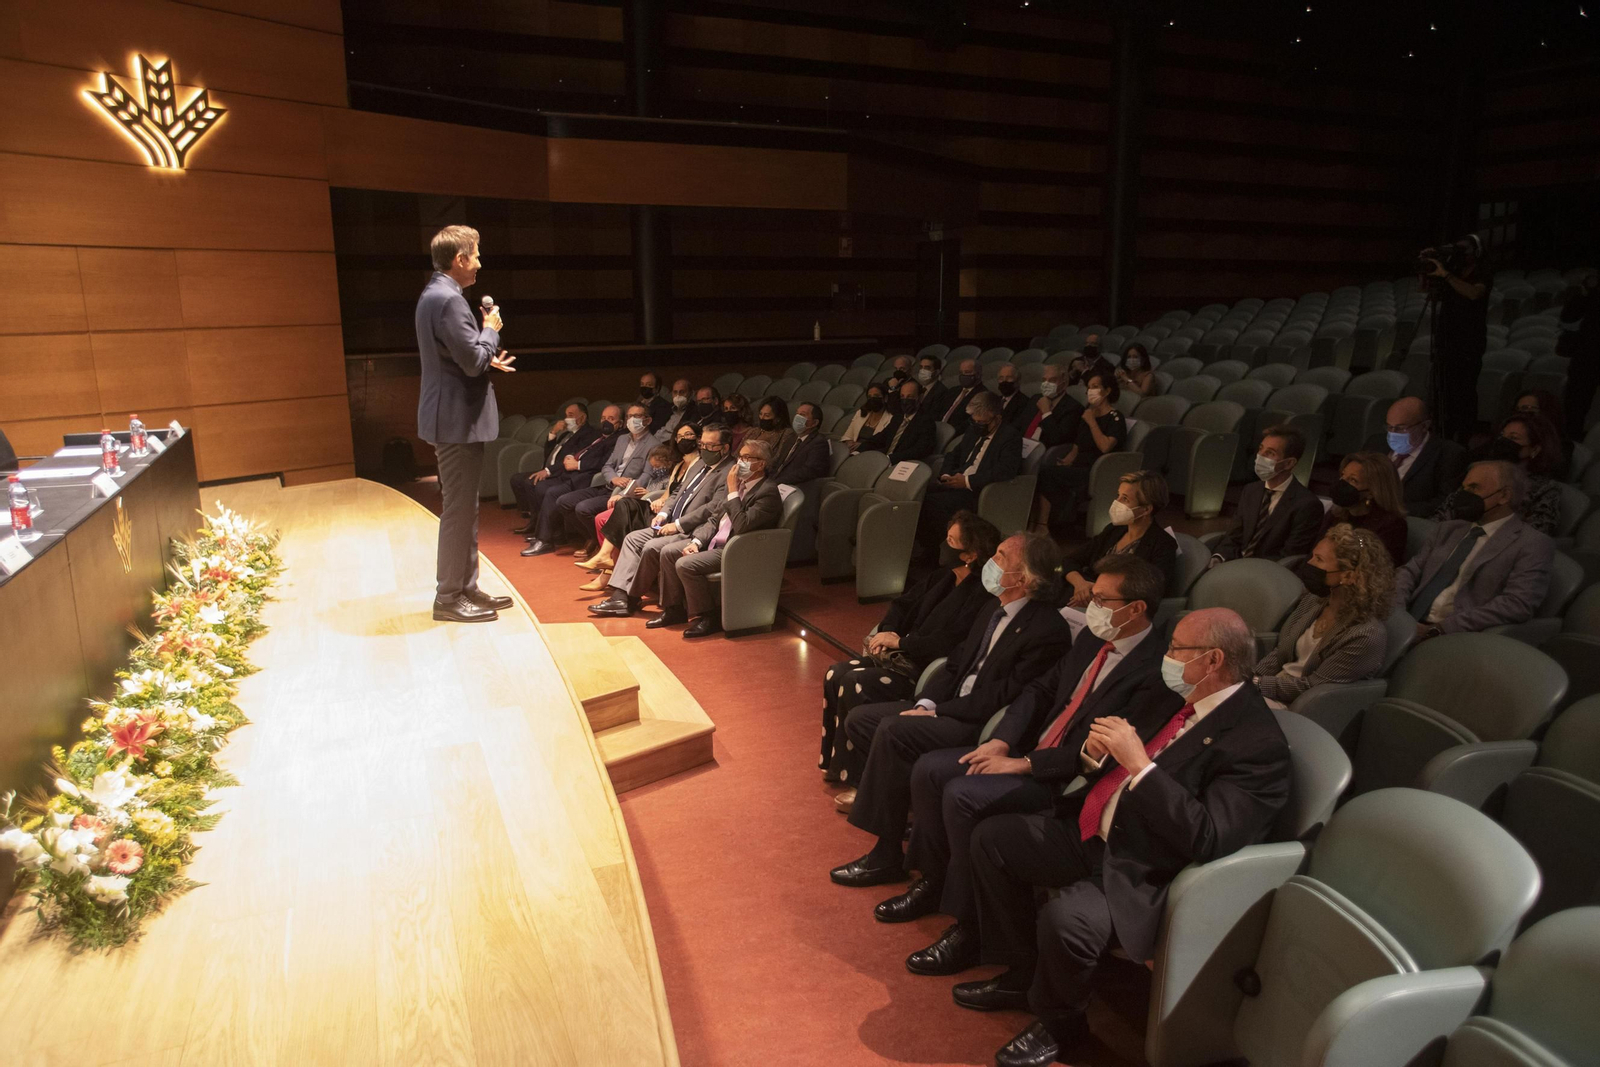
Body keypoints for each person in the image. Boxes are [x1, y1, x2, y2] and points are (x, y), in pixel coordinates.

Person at [963, 609, 1290, 1067]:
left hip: (1143, 867)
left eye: (1177, 648)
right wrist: (1096, 757)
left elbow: (1209, 837)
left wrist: (1141, 767)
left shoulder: (1257, 743)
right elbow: (1111, 755)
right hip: (1091, 830)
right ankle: (1021, 972)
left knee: (1067, 922)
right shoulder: (1175, 698)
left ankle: (1062, 1025)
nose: (1167, 656)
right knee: (993, 838)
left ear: (1213, 659)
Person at [877, 557, 1176, 945]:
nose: (1091, 605)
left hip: (1065, 778)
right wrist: (1002, 739)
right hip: (1030, 749)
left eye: (1102, 599)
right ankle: (933, 883)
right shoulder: (1092, 638)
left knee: (962, 793)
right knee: (931, 771)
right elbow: (1040, 690)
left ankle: (971, 929)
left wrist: (1024, 764)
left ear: (1136, 609)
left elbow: (1100, 753)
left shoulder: (1155, 672)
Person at [829, 533, 1073, 885]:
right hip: (950, 704)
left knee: (894, 731)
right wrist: (926, 702)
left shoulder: (1047, 629)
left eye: (1001, 557)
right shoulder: (993, 607)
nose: (991, 561)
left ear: (1023, 579)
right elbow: (956, 663)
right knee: (862, 720)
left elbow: (1004, 695)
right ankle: (901, 814)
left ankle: (884, 855)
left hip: (980, 722)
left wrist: (940, 712)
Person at [821, 512, 1003, 783]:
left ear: (970, 555)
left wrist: (902, 642)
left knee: (854, 681)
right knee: (834, 674)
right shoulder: (942, 576)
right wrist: (886, 632)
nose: (944, 545)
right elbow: (902, 605)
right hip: (899, 654)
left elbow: (949, 640)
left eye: (951, 541)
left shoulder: (981, 594)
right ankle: (837, 764)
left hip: (923, 667)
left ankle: (858, 774)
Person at [414, 224, 516, 623]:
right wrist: (490, 331)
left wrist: (482, 352)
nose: (479, 262)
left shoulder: (435, 293)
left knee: (465, 508)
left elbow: (454, 355)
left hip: (450, 416)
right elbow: (472, 363)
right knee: (458, 510)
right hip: (455, 420)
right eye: (474, 255)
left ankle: (467, 587)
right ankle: (449, 597)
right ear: (459, 259)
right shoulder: (450, 301)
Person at [1396, 460, 1554, 641]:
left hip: (1457, 636)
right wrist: (1399, 615)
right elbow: (1409, 572)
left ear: (1504, 496)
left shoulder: (1532, 544)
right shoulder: (1447, 529)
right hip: (1408, 621)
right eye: (1463, 488)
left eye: (1473, 488)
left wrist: (1439, 629)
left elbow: (1516, 604)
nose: (1463, 495)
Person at [589, 424, 735, 618]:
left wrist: (678, 524)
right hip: (670, 521)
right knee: (633, 538)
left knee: (651, 546)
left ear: (724, 448)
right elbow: (677, 492)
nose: (704, 450)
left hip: (691, 529)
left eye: (710, 446)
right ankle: (621, 597)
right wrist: (664, 513)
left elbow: (713, 508)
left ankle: (627, 598)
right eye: (702, 445)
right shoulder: (699, 463)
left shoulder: (729, 472)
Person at [1254, 524, 1394, 709]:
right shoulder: (1314, 601)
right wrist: (1249, 678)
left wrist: (1256, 684)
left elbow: (1313, 687)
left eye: (1318, 560)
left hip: (1302, 706)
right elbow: (1281, 652)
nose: (1309, 563)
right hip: (1272, 689)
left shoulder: (1366, 635)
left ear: (1349, 576)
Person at [659, 438, 784, 638]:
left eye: (747, 458)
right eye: (740, 456)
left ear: (762, 464)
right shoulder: (736, 484)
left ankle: (708, 617)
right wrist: (697, 542)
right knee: (668, 552)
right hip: (715, 540)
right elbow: (714, 518)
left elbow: (742, 525)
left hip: (737, 549)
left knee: (685, 565)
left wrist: (733, 491)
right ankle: (675, 609)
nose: (740, 462)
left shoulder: (767, 492)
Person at [533, 402, 660, 558]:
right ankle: (594, 538)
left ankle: (604, 548)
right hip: (608, 484)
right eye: (629, 416)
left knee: (583, 508)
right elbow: (607, 466)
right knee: (563, 501)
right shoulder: (622, 439)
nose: (632, 419)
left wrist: (625, 492)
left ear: (647, 420)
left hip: (625, 492)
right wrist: (613, 478)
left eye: (636, 416)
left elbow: (646, 475)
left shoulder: (654, 444)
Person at [582, 423, 703, 581]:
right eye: (679, 436)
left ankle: (606, 570)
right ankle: (605, 561)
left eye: (688, 435)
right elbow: (669, 494)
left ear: (699, 438)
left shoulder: (701, 466)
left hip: (672, 518)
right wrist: (660, 500)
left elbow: (682, 496)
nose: (683, 439)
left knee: (624, 516)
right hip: (661, 510)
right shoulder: (679, 465)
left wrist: (663, 506)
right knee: (624, 505)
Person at [917, 392, 1023, 557]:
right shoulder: (973, 430)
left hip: (979, 490)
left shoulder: (1010, 436)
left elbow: (1004, 470)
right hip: (956, 481)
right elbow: (954, 454)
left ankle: (945, 551)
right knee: (920, 494)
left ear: (997, 418)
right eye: (975, 421)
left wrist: (967, 481)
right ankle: (929, 547)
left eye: (983, 422)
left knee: (933, 504)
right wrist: (946, 474)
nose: (977, 425)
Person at [1060, 470, 1177, 605]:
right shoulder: (1114, 530)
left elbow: (1151, 590)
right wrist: (1080, 584)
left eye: (1125, 499)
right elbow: (1069, 560)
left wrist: (1098, 594)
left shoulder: (1163, 544)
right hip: (1083, 597)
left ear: (1146, 509)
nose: (1117, 502)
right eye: (1118, 495)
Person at [1209, 425, 1322, 564]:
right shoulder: (1250, 490)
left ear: (1289, 463)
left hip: (1266, 573)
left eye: (1270, 453)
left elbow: (1289, 556)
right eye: (1260, 449)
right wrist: (1220, 557)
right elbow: (1234, 536)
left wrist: (1247, 569)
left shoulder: (1307, 505)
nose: (1260, 456)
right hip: (1234, 564)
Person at [521, 403, 621, 556]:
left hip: (589, 478)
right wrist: (571, 457)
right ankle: (551, 534)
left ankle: (545, 540)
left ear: (620, 423)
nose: (605, 422)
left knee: (552, 492)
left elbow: (604, 463)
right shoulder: (599, 437)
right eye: (603, 418)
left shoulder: (617, 440)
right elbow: (581, 452)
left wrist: (578, 464)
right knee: (545, 488)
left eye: (611, 418)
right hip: (574, 475)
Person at [1038, 368, 1127, 537]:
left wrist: (1092, 422)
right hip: (1080, 465)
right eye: (1089, 386)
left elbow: (1105, 446)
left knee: (1047, 475)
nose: (1090, 390)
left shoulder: (1115, 417)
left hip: (1098, 470)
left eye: (1095, 386)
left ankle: (1044, 524)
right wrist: (1069, 458)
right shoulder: (1087, 413)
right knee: (1046, 471)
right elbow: (1078, 444)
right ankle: (1056, 522)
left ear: (1107, 391)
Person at [577, 441, 679, 590]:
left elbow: (665, 497)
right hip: (640, 503)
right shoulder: (653, 476)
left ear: (668, 463)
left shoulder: (672, 476)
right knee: (601, 518)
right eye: (653, 467)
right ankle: (606, 561)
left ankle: (608, 571)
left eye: (658, 467)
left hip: (654, 511)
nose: (655, 470)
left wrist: (648, 495)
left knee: (615, 522)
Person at [1446, 414, 1564, 536]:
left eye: (1513, 438)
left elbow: (1535, 534)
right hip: (1456, 536)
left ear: (1534, 449)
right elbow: (1447, 510)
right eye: (1502, 436)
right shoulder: (1481, 473)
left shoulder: (1546, 488)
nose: (1503, 442)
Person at [1422, 235, 1489, 442]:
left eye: (1465, 250)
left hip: (1469, 340)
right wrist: (1427, 269)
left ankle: (1463, 437)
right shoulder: (1454, 269)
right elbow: (1429, 293)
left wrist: (1447, 275)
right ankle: (1445, 434)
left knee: (1464, 390)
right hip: (1447, 336)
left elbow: (1474, 293)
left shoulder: (1483, 271)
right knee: (1444, 388)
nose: (1462, 254)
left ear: (1476, 252)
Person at [1363, 396, 1468, 516]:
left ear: (1424, 426)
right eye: (1389, 427)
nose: (1393, 434)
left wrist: (1393, 509)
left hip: (1408, 522)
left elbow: (1444, 503)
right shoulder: (1375, 443)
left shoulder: (1449, 454)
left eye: (1401, 428)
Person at [511, 406, 599, 532]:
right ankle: (532, 516)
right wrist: (553, 432)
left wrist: (548, 471)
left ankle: (537, 524)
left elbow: (570, 459)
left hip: (561, 473)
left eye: (570, 415)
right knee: (516, 479)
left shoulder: (588, 434)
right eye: (566, 415)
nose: (566, 419)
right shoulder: (567, 433)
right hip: (550, 468)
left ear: (583, 417)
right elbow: (548, 453)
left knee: (532, 483)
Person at [1323, 451, 1408, 565]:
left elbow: (1373, 569)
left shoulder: (1392, 526)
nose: (1342, 483)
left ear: (1373, 491)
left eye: (1353, 480)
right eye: (1343, 475)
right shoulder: (1337, 512)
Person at [1557, 271, 1600, 439]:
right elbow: (1568, 321)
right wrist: (1586, 294)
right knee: (1575, 407)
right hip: (1586, 357)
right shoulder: (1589, 297)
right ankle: (1571, 442)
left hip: (1588, 356)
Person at [857, 379, 937, 463]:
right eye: (902, 396)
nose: (905, 400)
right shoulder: (898, 417)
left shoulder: (926, 421)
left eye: (910, 397)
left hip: (902, 464)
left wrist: (890, 458)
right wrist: (859, 450)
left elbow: (920, 450)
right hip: (884, 460)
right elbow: (881, 437)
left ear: (920, 397)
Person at [1024, 364, 1082, 448]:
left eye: (1052, 380)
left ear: (1064, 383)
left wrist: (1046, 413)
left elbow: (1058, 440)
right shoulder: (1035, 398)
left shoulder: (1073, 408)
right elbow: (1020, 427)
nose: (1046, 384)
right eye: (1044, 380)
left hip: (1044, 453)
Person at [773, 402, 830, 485]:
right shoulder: (791, 438)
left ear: (814, 423)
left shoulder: (819, 443)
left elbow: (808, 471)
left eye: (802, 415)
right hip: (775, 482)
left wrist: (776, 482)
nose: (797, 417)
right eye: (797, 413)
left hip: (794, 486)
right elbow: (778, 463)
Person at [933, 358, 988, 433]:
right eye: (961, 372)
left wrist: (950, 433)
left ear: (978, 374)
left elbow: (969, 422)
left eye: (967, 372)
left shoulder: (983, 395)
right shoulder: (953, 391)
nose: (963, 375)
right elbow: (938, 410)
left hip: (955, 434)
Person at [838, 385, 893, 449]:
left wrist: (863, 445)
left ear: (885, 398)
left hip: (871, 452)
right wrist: (848, 442)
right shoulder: (860, 413)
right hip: (853, 449)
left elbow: (884, 444)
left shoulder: (891, 418)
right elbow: (847, 435)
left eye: (876, 396)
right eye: (870, 397)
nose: (872, 399)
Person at [752, 396, 797, 467]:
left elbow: (778, 460)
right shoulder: (755, 430)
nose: (762, 418)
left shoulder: (787, 434)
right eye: (760, 414)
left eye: (767, 415)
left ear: (778, 418)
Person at [994, 364, 1033, 430]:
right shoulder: (995, 400)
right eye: (1001, 378)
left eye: (1009, 378)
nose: (1004, 381)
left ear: (1018, 381)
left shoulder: (1025, 403)